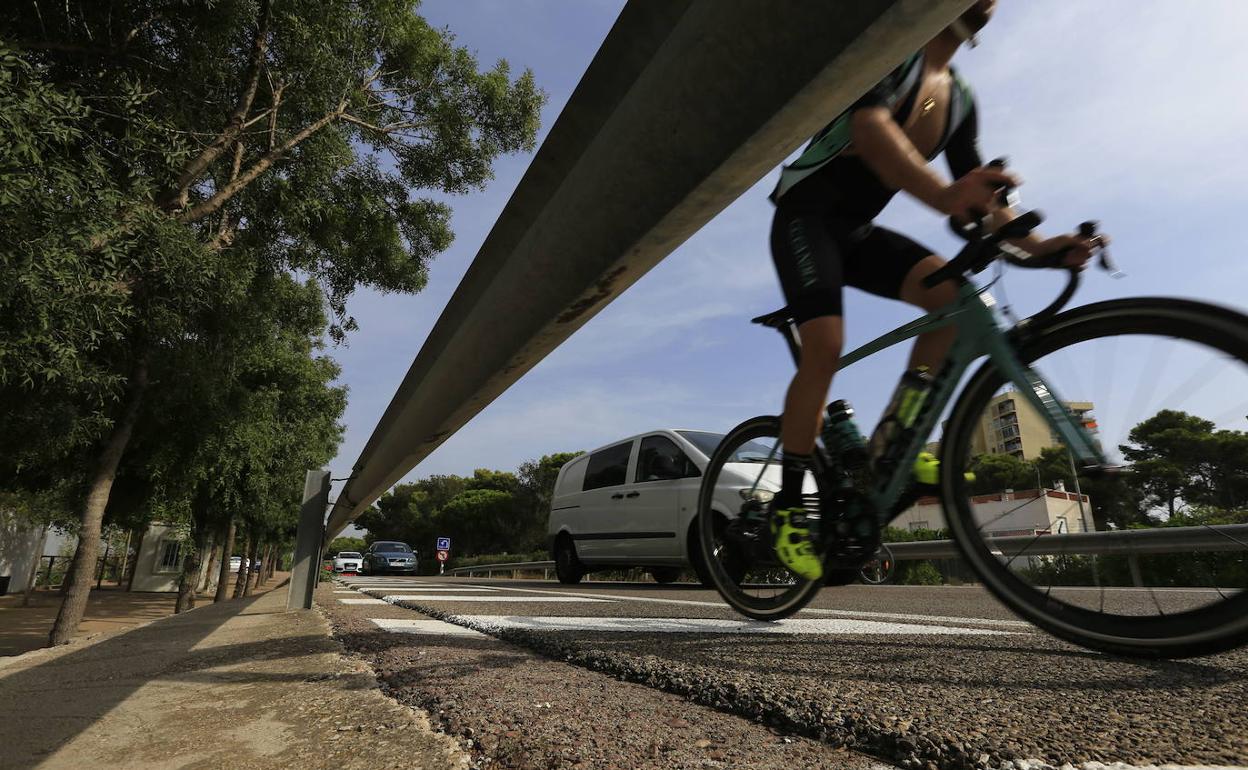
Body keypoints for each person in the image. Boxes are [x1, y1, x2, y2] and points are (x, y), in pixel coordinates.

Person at [766, 0, 1103, 580]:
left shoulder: (962, 102)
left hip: (857, 232)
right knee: (823, 346)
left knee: (952, 302)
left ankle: (888, 447)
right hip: (806, 217)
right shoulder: (893, 57)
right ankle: (788, 506)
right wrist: (947, 197)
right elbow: (870, 131)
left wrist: (1045, 249)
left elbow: (988, 204)